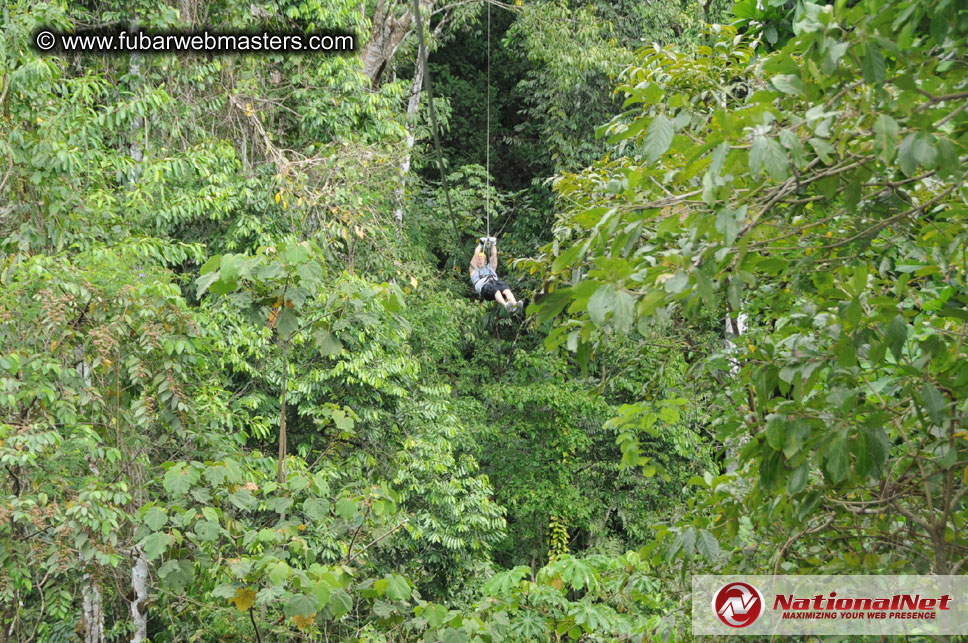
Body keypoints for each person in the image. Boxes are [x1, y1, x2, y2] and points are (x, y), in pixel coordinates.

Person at [469, 236, 522, 312]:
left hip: (495, 283)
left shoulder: (490, 268)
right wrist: (480, 245)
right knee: (494, 289)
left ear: (485, 260)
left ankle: (515, 304)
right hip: (485, 288)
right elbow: (475, 256)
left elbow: (494, 255)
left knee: (505, 287)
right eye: (478, 259)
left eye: (482, 259)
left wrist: (493, 244)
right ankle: (505, 305)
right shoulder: (474, 270)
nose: (480, 261)